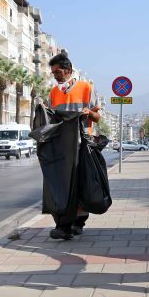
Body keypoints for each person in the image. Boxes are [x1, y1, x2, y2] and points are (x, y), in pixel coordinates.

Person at [46, 52, 101, 240]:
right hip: (62, 146)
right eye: (53, 73)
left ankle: (77, 222)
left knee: (80, 184)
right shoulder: (53, 93)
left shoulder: (86, 88)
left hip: (82, 144)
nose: (56, 76)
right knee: (64, 185)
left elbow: (97, 116)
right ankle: (65, 224)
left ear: (68, 70)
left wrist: (88, 113)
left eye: (58, 72)